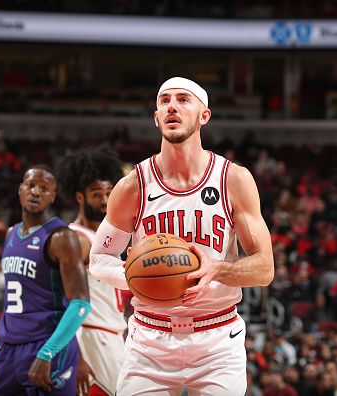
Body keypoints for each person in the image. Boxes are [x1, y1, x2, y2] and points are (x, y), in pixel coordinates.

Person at [89, 77, 274, 395]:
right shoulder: (133, 186)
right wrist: (139, 278)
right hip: (149, 342)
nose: (172, 105)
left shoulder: (234, 179)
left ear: (204, 115)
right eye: (164, 101)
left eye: (183, 99)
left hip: (217, 340)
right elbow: (98, 259)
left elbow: (265, 268)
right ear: (157, 117)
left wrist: (217, 269)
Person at [0, 165, 91, 395]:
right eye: (31, 185)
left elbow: (80, 304)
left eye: (44, 188)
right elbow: (12, 305)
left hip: (46, 346)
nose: (36, 192)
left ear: (52, 197)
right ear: (20, 190)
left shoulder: (62, 237)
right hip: (8, 350)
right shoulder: (10, 235)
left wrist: (48, 352)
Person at [56, 147, 127, 396]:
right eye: (97, 194)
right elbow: (62, 301)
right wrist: (76, 357)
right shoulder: (77, 239)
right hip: (91, 337)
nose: (105, 200)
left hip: (114, 337)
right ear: (79, 197)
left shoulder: (108, 239)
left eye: (109, 193)